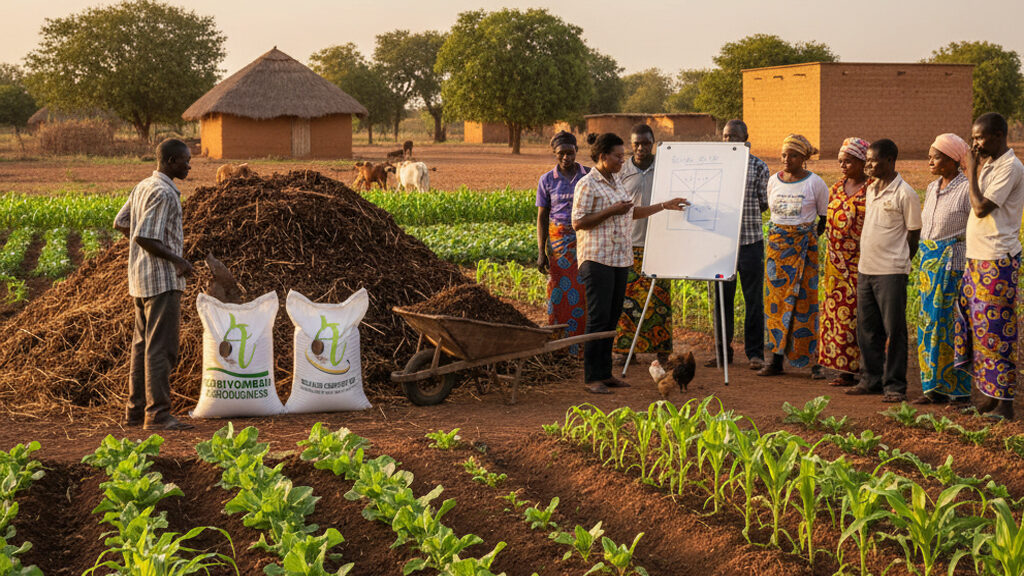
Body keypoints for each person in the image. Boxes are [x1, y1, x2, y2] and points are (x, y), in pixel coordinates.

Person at [572, 132, 688, 394]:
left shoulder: (616, 182)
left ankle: (606, 374)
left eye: (622, 156)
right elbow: (578, 222)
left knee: (612, 319)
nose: (622, 160)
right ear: (603, 157)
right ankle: (592, 378)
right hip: (597, 259)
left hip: (619, 260)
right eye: (617, 156)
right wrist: (611, 210)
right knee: (598, 318)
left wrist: (664, 205)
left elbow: (631, 212)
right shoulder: (588, 184)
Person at [113, 138, 195, 431]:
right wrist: (178, 261)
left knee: (142, 346)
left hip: (139, 278)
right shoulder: (164, 193)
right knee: (161, 349)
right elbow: (144, 237)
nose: (189, 165)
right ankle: (158, 415)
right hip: (162, 282)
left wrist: (145, 257)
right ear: (171, 161)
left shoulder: (143, 186)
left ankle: (135, 413)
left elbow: (122, 222)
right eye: (186, 160)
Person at [954, 112, 1024, 420]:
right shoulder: (991, 166)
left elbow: (981, 208)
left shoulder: (1010, 167)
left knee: (997, 331)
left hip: (997, 259)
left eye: (979, 137)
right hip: (978, 258)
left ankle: (1005, 403)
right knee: (979, 331)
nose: (975, 143)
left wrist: (970, 170)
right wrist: (977, 168)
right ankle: (989, 397)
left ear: (997, 135)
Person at [845, 139, 921, 403]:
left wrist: (899, 261)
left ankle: (895, 386)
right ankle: (871, 379)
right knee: (867, 329)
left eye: (873, 160)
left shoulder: (905, 193)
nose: (868, 165)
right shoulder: (871, 189)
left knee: (894, 330)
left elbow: (913, 235)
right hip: (866, 269)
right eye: (866, 160)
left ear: (890, 160)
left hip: (891, 272)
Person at [758, 134, 829, 378]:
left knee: (804, 306)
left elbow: (823, 220)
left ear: (804, 159)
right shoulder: (773, 181)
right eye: (784, 155)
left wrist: (804, 240)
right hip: (776, 254)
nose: (787, 159)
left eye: (793, 156)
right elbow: (774, 216)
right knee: (775, 306)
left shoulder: (815, 183)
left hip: (804, 252)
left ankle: (811, 363)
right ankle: (775, 361)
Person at [709, 119, 770, 370]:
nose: (728, 141)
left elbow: (764, 203)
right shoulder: (714, 165)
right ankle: (723, 353)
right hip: (722, 244)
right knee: (722, 300)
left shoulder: (757, 166)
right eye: (725, 136)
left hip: (750, 241)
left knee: (753, 299)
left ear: (746, 138)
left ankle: (754, 353)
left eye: (734, 136)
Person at [916, 134, 972, 404]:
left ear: (953, 160)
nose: (930, 161)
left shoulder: (966, 189)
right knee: (928, 325)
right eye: (930, 156)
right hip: (928, 266)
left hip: (952, 266)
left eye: (936, 156)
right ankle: (932, 387)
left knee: (950, 326)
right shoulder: (931, 188)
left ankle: (957, 390)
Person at [613, 124, 673, 363]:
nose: (640, 148)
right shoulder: (622, 171)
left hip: (659, 244)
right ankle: (627, 350)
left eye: (645, 143)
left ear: (653, 143)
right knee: (628, 302)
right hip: (630, 244)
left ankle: (662, 351)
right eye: (636, 143)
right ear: (631, 144)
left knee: (659, 300)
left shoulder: (666, 168)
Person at [819, 137, 872, 387]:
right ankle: (844, 370)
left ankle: (866, 368)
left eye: (848, 161)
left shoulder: (872, 189)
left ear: (863, 162)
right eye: (841, 161)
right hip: (834, 266)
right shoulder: (836, 188)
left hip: (861, 262)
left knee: (860, 317)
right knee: (837, 318)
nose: (843, 166)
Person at [536, 130, 590, 356]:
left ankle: (583, 347)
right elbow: (542, 217)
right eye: (561, 153)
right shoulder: (547, 180)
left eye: (570, 152)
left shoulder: (589, 175)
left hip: (585, 239)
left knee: (584, 291)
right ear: (554, 154)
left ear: (576, 150)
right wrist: (541, 251)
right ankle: (559, 346)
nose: (566, 157)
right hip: (558, 245)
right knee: (558, 292)